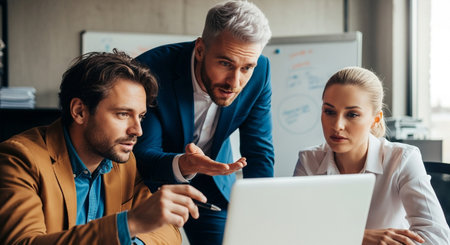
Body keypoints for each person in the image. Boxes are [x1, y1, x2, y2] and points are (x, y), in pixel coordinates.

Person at [0, 50, 209, 244]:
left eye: (141, 117)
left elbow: (167, 231)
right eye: (123, 114)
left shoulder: (123, 162)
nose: (138, 130)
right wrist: (129, 224)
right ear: (80, 111)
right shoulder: (18, 159)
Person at [133, 1, 274, 244]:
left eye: (246, 67)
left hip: (214, 186)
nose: (235, 82)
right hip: (149, 185)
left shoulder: (260, 70)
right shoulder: (151, 70)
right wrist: (184, 165)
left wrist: (259, 211)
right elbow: (144, 153)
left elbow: (259, 151)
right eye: (225, 64)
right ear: (200, 49)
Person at [294, 66, 450, 244]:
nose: (337, 125)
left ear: (375, 119)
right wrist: (359, 237)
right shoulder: (309, 161)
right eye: (329, 112)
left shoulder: (402, 159)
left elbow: (438, 238)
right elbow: (294, 231)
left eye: (352, 114)